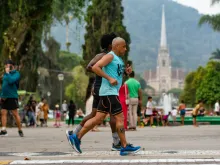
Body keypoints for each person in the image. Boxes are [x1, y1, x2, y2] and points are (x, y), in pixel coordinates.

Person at [67, 37, 140, 156]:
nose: (125, 49)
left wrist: (126, 72)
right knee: (120, 119)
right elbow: (95, 67)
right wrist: (109, 78)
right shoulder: (110, 56)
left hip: (108, 93)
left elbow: (116, 74)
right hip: (109, 93)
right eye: (124, 46)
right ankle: (124, 146)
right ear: (116, 46)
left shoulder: (118, 59)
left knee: (98, 118)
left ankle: (76, 137)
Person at [0, 60, 24, 137]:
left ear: (12, 66)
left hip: (12, 96)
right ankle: (3, 130)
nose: (6, 67)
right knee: (3, 112)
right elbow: (4, 85)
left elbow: (11, 81)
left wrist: (7, 73)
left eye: (8, 65)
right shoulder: (5, 74)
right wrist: (1, 95)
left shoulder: (16, 74)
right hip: (4, 97)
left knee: (15, 114)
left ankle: (20, 130)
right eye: (6, 66)